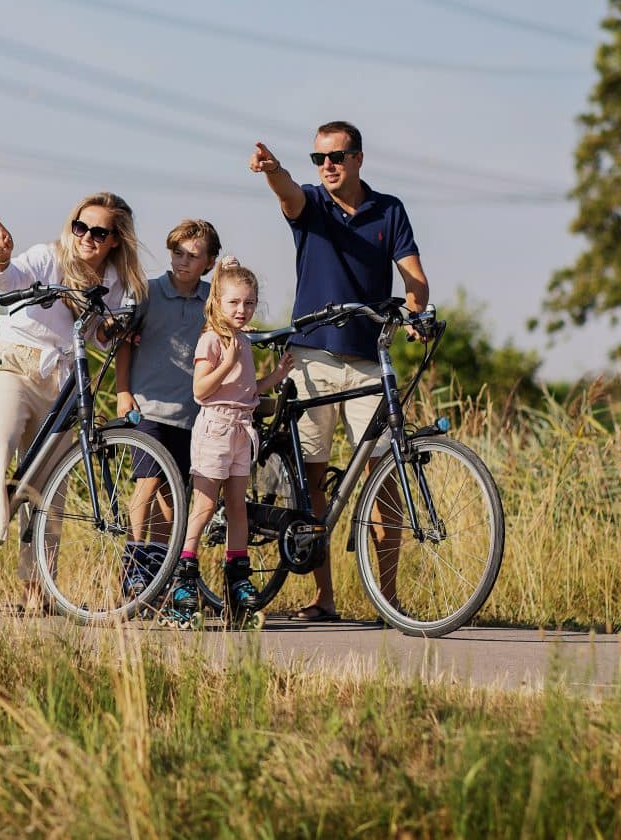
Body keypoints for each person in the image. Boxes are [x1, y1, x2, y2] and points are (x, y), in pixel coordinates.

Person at [248, 120, 430, 622]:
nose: (327, 165)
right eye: (319, 158)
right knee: (311, 479)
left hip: (370, 358)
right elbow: (287, 194)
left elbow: (414, 277)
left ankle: (388, 601)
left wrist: (415, 311)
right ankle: (323, 599)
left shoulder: (388, 210)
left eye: (336, 156)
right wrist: (274, 169)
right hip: (311, 358)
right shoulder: (311, 203)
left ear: (359, 158)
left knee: (384, 476)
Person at [0, 192, 147, 593]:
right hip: (14, 364)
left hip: (62, 378)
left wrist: (116, 329)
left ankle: (37, 584)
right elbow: (4, 279)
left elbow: (102, 336)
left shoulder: (115, 282)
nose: (86, 236)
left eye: (98, 231)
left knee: (51, 481)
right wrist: (1, 256)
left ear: (115, 240)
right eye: (80, 226)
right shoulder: (47, 258)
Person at [168, 260, 294, 622]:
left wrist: (276, 375)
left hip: (242, 430)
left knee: (238, 507)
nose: (242, 310)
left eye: (249, 303)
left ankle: (237, 574)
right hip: (215, 430)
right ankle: (185, 574)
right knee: (205, 507)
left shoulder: (242, 340)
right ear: (217, 303)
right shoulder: (212, 340)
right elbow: (201, 390)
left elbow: (247, 390)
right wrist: (227, 361)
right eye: (234, 303)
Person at [113, 219, 222, 594]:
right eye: (178, 253)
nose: (183, 262)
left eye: (194, 256)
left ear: (208, 262)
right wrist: (122, 390)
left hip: (191, 413)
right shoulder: (149, 292)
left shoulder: (213, 300)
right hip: (148, 408)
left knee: (172, 495)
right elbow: (125, 342)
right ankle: (132, 561)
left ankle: (157, 570)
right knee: (147, 483)